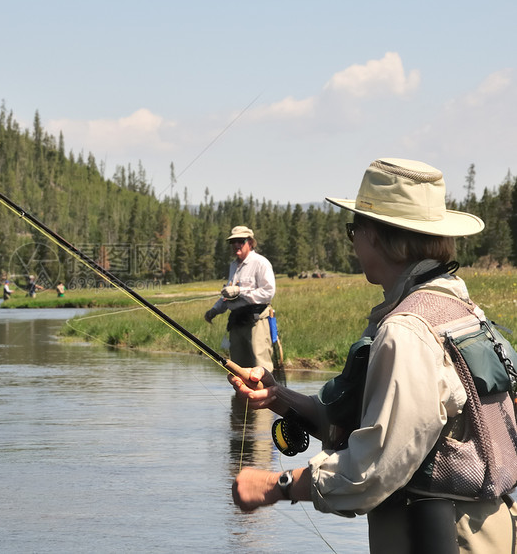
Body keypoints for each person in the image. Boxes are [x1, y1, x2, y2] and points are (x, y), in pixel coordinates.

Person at [228, 158, 516, 553]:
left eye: (354, 230)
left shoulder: (408, 331)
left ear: (379, 237)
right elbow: (388, 424)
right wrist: (279, 397)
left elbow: (373, 470)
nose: (354, 243)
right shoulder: (460, 308)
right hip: (484, 531)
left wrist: (275, 486)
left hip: (444, 539)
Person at [204, 225, 276, 371]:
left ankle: (266, 393)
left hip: (256, 322)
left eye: (240, 241)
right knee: (238, 369)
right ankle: (241, 395)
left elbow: (268, 292)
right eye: (233, 241)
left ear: (250, 242)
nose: (236, 245)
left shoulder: (260, 263)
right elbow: (228, 296)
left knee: (261, 367)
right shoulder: (233, 266)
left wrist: (240, 291)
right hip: (236, 322)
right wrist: (214, 311)